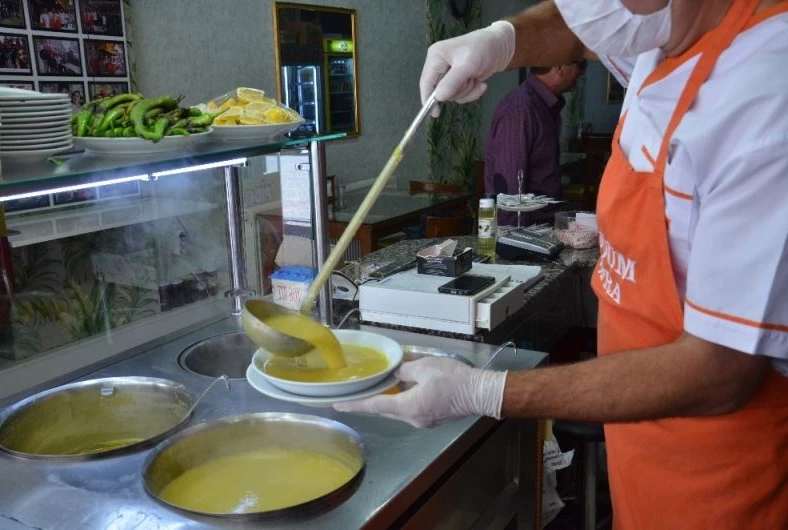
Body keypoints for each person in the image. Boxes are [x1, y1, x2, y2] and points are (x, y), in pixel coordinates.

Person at [334, 0, 788, 528]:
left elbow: (720, 373)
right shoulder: (666, 32)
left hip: (720, 480)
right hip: (639, 450)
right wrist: (502, 40)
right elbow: (579, 30)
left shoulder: (763, 97)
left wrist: (485, 390)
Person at [485, 61, 584, 226]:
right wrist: (514, 244)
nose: (582, 72)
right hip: (526, 233)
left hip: (542, 227)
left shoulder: (542, 106)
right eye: (581, 64)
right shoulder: (520, 109)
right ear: (559, 66)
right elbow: (510, 192)